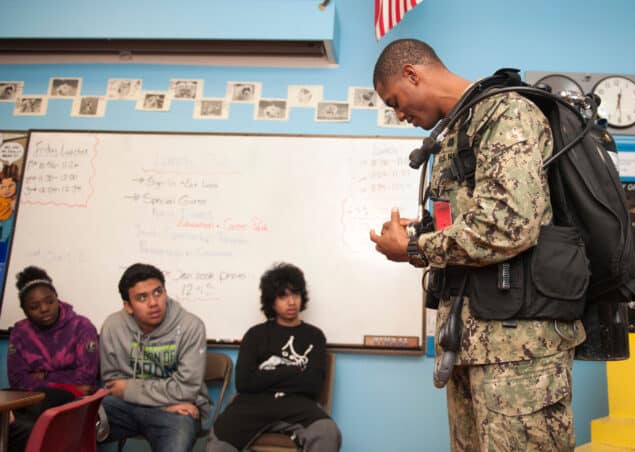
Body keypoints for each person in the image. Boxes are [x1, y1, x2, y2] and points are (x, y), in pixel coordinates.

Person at [369, 38, 585, 451]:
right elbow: (478, 219)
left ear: (413, 74)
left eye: (396, 100)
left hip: (519, 354)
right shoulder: (461, 128)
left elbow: (510, 225)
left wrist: (416, 248)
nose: (399, 114)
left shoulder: (504, 113)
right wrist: (424, 235)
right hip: (473, 343)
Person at [206, 263, 341, 452]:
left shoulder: (315, 336)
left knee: (327, 431)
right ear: (271, 301)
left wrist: (266, 377)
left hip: (297, 406)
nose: (292, 302)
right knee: (219, 440)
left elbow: (312, 385)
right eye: (283, 296)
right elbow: (245, 383)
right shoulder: (255, 335)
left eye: (295, 294)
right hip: (252, 407)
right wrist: (294, 371)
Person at [99, 263, 211, 452]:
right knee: (76, 421)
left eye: (158, 292)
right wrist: (162, 404)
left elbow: (185, 389)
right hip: (133, 407)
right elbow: (113, 385)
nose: (153, 303)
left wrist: (130, 389)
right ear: (128, 306)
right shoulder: (113, 326)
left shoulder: (191, 326)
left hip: (178, 412)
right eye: (142, 297)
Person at [6, 266, 100, 451]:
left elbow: (85, 379)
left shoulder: (81, 326)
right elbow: (17, 380)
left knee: (38, 406)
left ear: (57, 298)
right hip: (30, 398)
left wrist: (44, 377)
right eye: (34, 307)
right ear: (25, 311)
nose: (44, 309)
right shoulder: (20, 332)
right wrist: (60, 377)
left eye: (49, 302)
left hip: (73, 400)